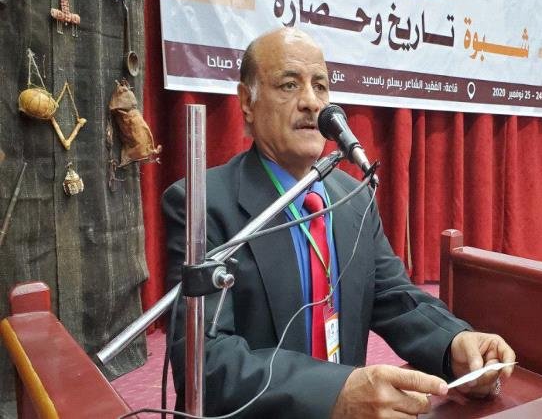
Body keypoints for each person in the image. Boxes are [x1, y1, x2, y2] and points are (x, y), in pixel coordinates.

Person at [162, 27, 515, 418]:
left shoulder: (352, 196)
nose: (311, 102)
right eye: (289, 85)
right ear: (247, 102)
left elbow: (394, 295)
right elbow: (206, 363)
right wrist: (333, 392)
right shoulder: (202, 204)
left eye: (320, 86)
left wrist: (455, 343)